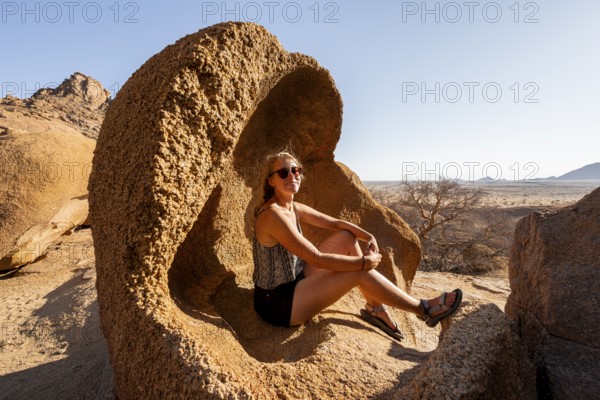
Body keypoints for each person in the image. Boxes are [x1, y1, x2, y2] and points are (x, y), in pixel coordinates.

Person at [252, 150, 462, 340]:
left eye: (296, 170)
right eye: (284, 172)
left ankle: (375, 308)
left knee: (347, 237)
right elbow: (316, 258)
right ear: (271, 181)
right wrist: (363, 262)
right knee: (359, 272)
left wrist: (368, 236)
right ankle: (424, 309)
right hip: (278, 303)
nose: (292, 176)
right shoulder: (273, 216)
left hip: (296, 278)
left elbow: (335, 223)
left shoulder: (293, 207)